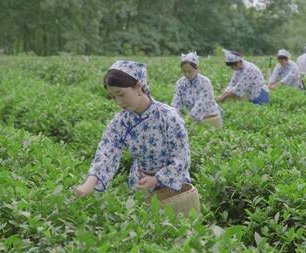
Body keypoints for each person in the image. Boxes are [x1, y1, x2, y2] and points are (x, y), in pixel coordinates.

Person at [74, 60, 199, 214]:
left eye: (121, 94)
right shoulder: (121, 121)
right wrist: (88, 184)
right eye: (113, 97)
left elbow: (182, 158)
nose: (118, 102)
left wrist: (156, 179)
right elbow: (106, 152)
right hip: (140, 185)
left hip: (173, 188)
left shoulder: (168, 116)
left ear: (138, 87)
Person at [172, 51, 223, 128]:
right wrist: (174, 118)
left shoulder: (205, 82)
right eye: (184, 71)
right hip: (193, 120)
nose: (187, 74)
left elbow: (201, 103)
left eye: (189, 71)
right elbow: (176, 102)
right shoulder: (180, 83)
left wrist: (188, 119)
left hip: (210, 117)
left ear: (196, 68)